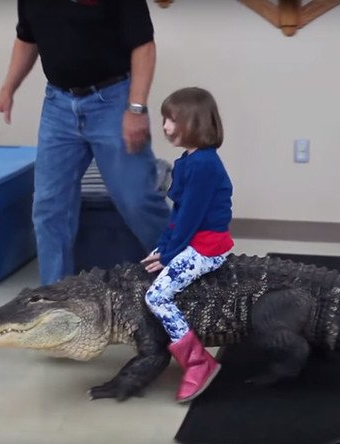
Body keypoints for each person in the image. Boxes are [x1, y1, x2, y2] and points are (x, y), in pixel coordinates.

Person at [0, 0, 170, 285]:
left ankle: (184, 278)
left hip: (113, 100)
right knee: (49, 208)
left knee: (137, 200)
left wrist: (136, 108)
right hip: (58, 105)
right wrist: (6, 91)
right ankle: (55, 299)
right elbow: (27, 38)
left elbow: (143, 45)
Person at [141, 87, 234, 403]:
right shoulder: (188, 161)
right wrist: (162, 247)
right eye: (165, 119)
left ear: (195, 123)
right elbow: (178, 215)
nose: (165, 127)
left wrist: (169, 255)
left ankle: (198, 362)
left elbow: (191, 219)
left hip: (208, 247)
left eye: (172, 120)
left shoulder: (204, 165)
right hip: (192, 240)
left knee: (157, 296)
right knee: (153, 273)